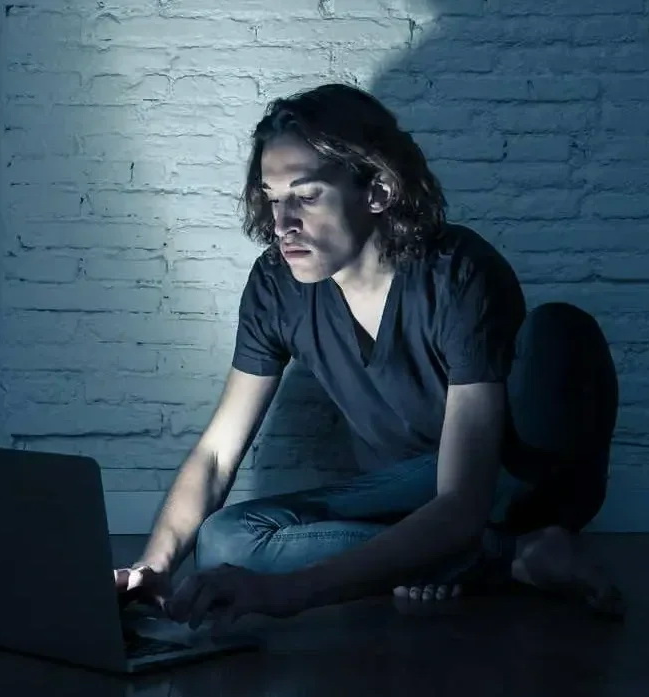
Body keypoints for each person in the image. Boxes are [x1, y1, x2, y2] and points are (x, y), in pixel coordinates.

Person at [113, 83, 623, 630]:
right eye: (272, 197)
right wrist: (153, 568)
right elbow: (217, 455)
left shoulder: (459, 273)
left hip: (493, 477)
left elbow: (461, 498)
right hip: (405, 491)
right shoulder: (275, 285)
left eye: (307, 197)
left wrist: (282, 592)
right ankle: (513, 556)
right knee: (223, 540)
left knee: (558, 330)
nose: (282, 224)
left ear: (377, 190)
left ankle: (482, 545)